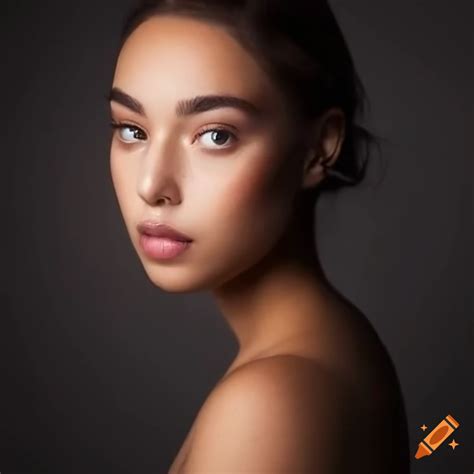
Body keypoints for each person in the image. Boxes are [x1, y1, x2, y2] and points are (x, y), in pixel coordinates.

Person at [107, 0, 410, 472]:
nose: (152, 185)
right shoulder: (329, 351)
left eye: (216, 136)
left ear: (319, 149)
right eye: (132, 129)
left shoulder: (272, 402)